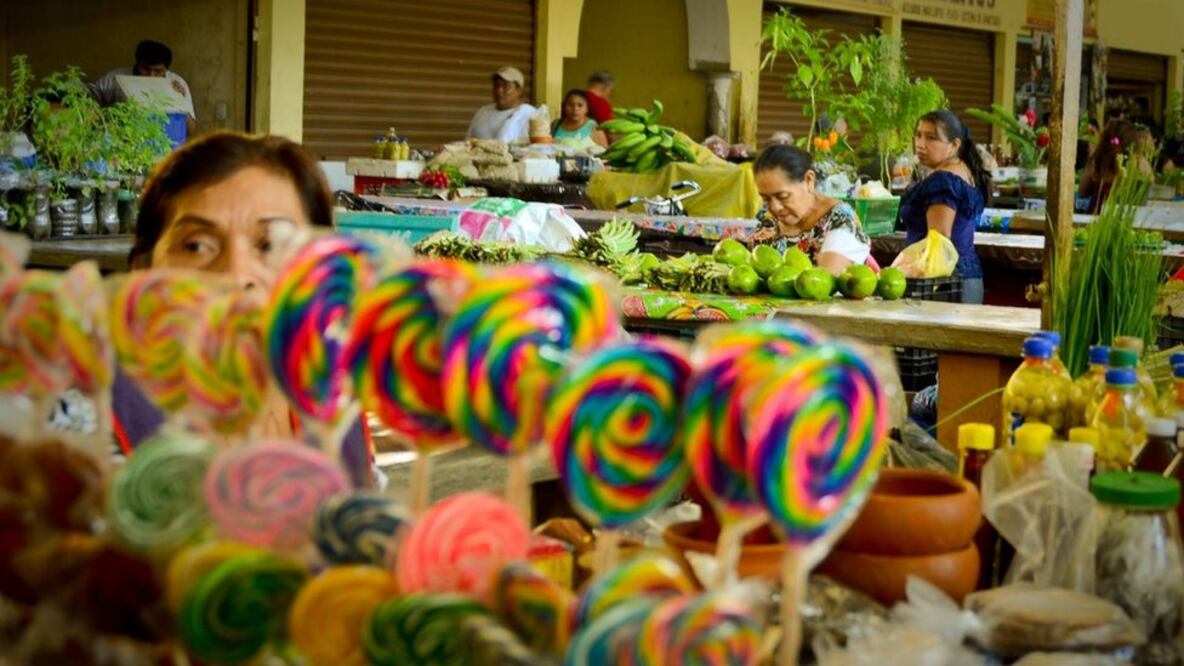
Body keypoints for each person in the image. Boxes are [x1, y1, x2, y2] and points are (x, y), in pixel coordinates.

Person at [119, 132, 375, 487]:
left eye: (270, 244)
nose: (236, 276)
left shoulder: (332, 404)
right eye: (195, 246)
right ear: (142, 273)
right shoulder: (91, 420)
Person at [898, 110, 990, 304]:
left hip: (944, 285)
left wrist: (899, 269)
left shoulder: (944, 181)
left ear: (954, 145)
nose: (920, 144)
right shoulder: (964, 171)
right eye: (918, 135)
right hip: (965, 279)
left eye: (931, 138)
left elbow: (938, 242)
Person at [747, 144, 872, 276]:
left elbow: (824, 281)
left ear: (809, 180)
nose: (775, 207)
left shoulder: (840, 221)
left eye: (783, 196)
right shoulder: (768, 218)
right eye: (766, 198)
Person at [91, 39, 197, 138]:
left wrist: (179, 100)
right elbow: (89, 105)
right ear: (137, 64)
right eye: (146, 69)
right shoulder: (113, 79)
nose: (151, 75)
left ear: (166, 70)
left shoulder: (177, 84)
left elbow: (190, 130)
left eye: (158, 71)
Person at [1079, 119, 1152, 214]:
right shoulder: (1139, 163)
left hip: (1096, 216)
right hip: (1126, 218)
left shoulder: (1096, 161)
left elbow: (1082, 192)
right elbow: (1149, 192)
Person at [466, 66, 536, 143]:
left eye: (506, 86)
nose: (499, 90)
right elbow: (468, 141)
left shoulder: (529, 115)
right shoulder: (483, 112)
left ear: (519, 91)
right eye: (497, 85)